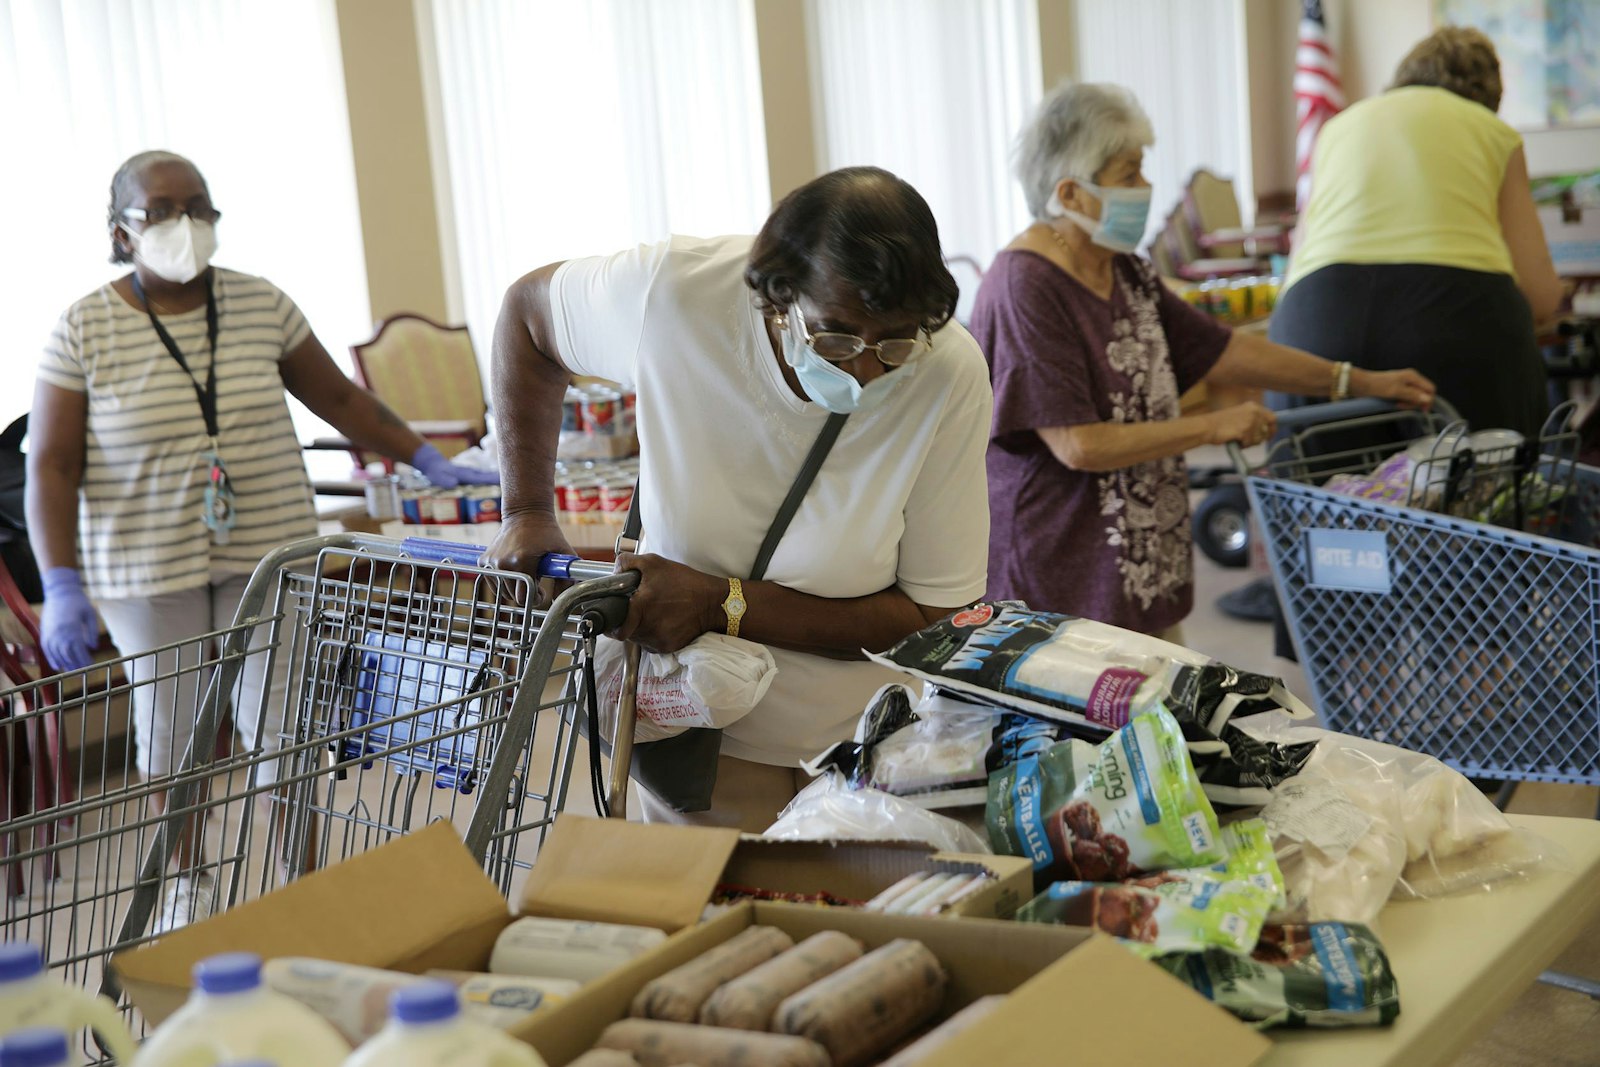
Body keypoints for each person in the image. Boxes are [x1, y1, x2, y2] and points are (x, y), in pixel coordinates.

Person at [27, 150, 496, 931]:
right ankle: (188, 879)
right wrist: (62, 582)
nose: (185, 223)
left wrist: (424, 457)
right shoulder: (84, 326)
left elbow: (342, 397)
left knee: (286, 726)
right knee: (174, 735)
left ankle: (298, 879)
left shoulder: (258, 303)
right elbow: (52, 462)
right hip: (144, 567)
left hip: (268, 552)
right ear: (120, 232)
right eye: (162, 209)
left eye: (198, 204)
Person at [485, 167, 991, 832]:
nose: (865, 369)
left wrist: (724, 602)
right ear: (779, 296)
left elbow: (932, 616)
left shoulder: (944, 369)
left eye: (892, 344)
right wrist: (525, 512)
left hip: (860, 752)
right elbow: (527, 316)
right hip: (700, 740)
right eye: (835, 335)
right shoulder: (676, 295)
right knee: (717, 918)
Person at [973, 82, 1435, 638]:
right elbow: (1080, 444)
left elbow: (1223, 350)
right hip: (1062, 577)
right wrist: (1212, 426)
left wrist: (1359, 381)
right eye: (1129, 174)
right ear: (1070, 194)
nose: (1146, 187)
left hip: (1139, 571)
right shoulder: (1025, 286)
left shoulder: (1126, 271)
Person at [1270, 26, 1563, 440]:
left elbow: (1296, 265)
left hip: (1314, 321)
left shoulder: (1338, 127)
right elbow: (1540, 294)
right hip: (1458, 319)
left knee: (1315, 496)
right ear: (1489, 99)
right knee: (1481, 488)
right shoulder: (1492, 131)